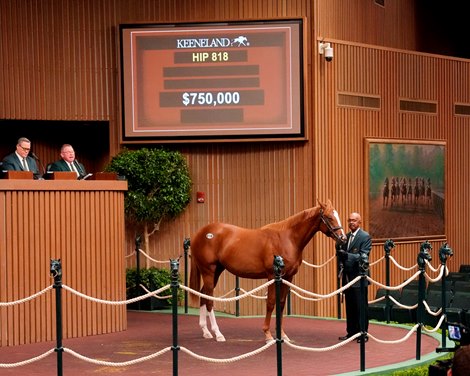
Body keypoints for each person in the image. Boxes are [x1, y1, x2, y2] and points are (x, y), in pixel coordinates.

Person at [336, 212, 372, 343]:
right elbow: (342, 255)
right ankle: (351, 332)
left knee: (360, 307)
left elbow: (363, 256)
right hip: (347, 277)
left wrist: (346, 255)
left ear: (360, 222)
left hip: (359, 278)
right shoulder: (346, 236)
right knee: (350, 306)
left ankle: (363, 333)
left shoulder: (365, 236)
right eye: (350, 220)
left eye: (354, 220)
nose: (352, 222)